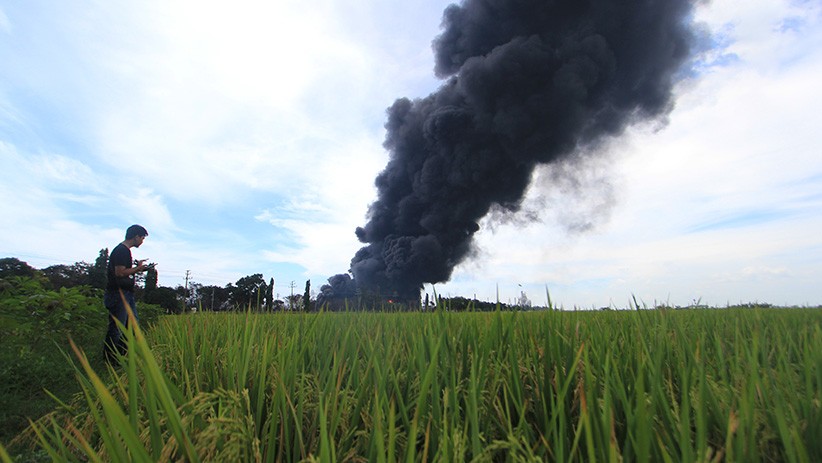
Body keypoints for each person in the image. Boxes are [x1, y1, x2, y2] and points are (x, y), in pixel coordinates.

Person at [103, 224, 150, 364]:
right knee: (117, 327)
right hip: (119, 294)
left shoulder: (125, 251)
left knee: (131, 326)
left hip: (125, 294)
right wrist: (138, 269)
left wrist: (138, 267)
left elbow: (124, 271)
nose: (142, 241)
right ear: (136, 236)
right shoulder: (121, 251)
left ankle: (122, 355)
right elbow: (120, 273)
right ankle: (111, 360)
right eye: (142, 238)